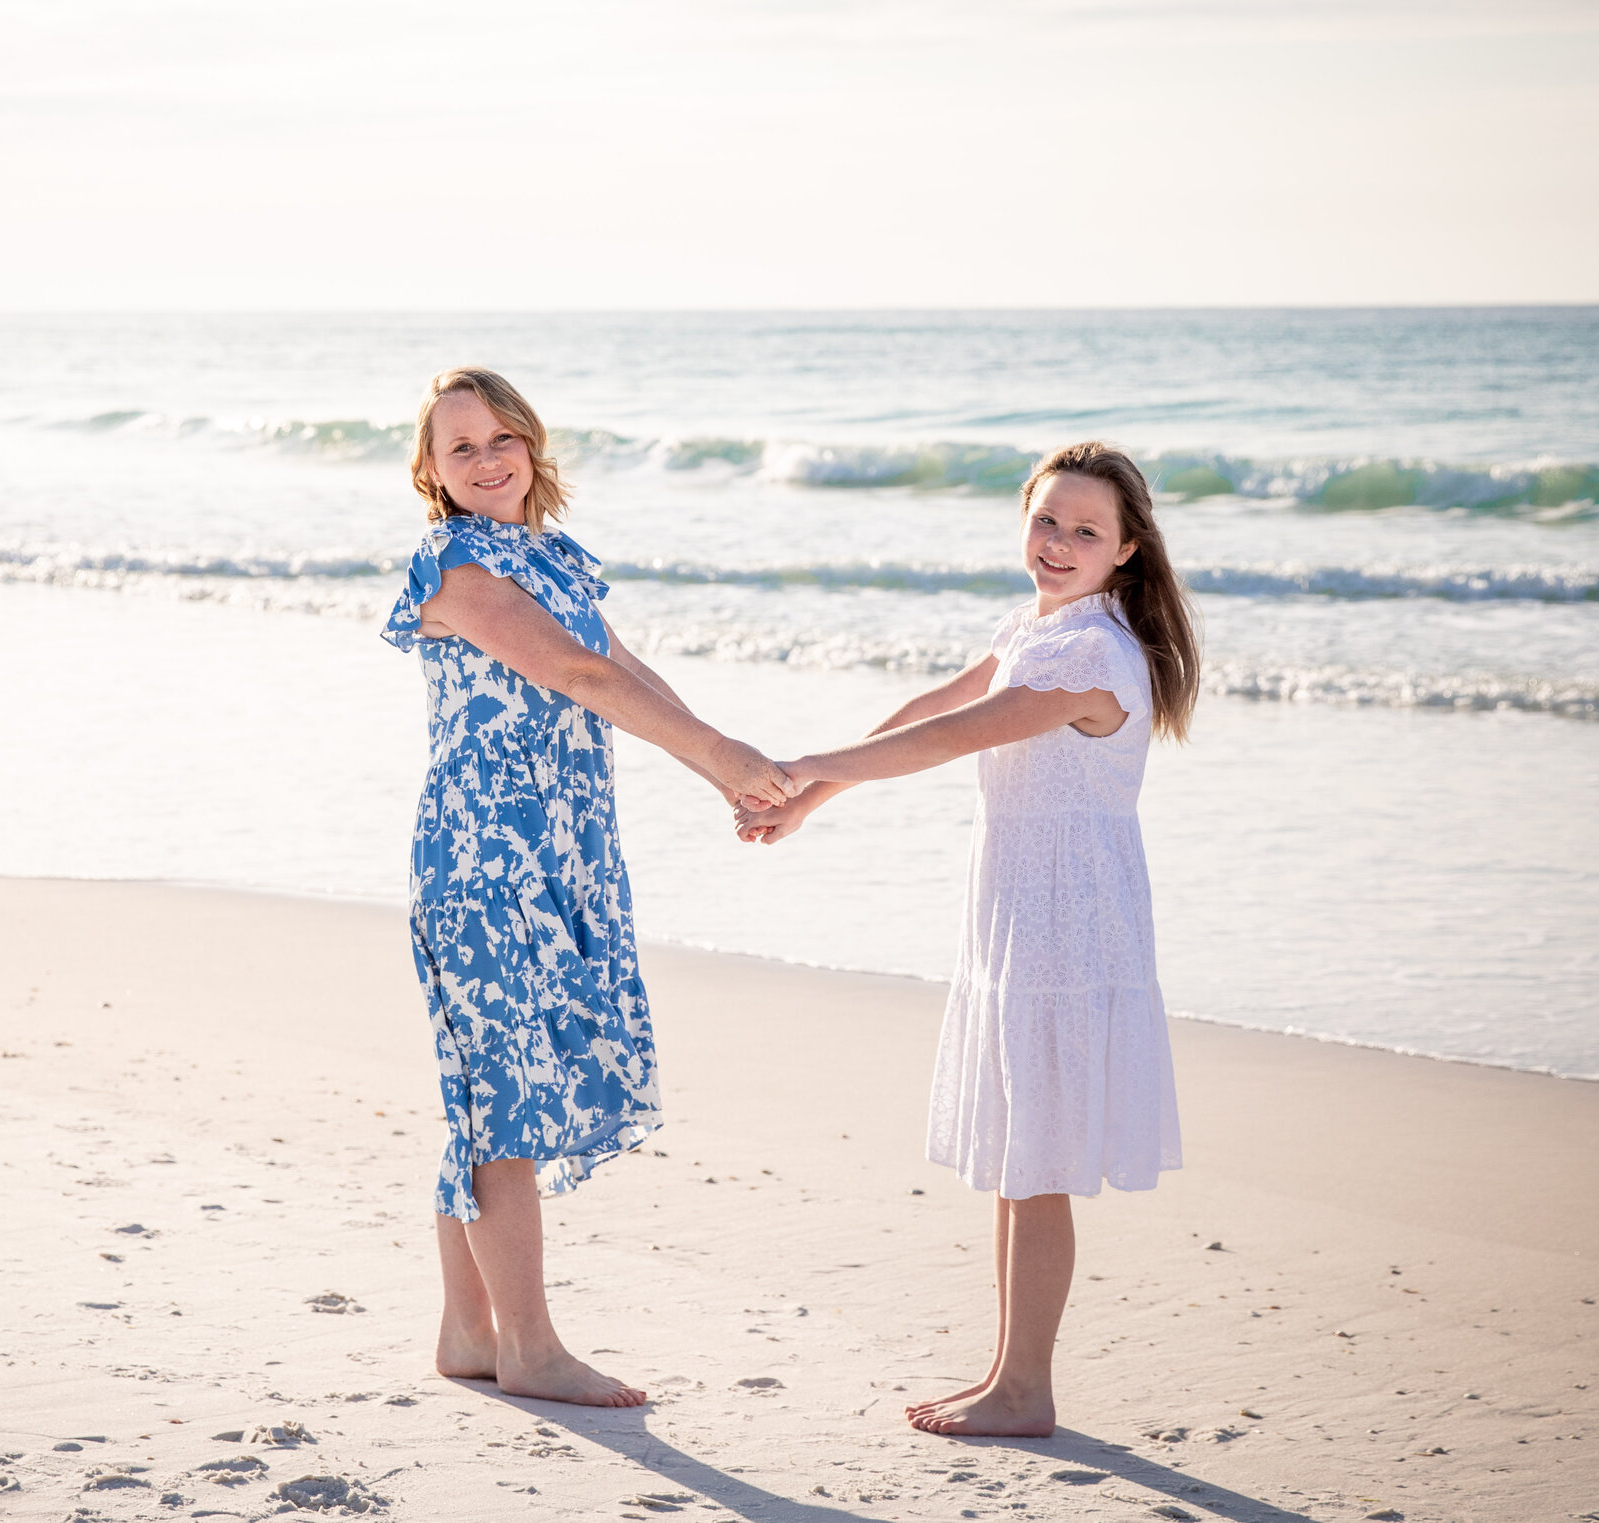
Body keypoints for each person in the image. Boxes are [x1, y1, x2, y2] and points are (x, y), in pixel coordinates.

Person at [735, 440, 1200, 1437]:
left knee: (1037, 1160)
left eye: (1085, 529)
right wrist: (811, 797)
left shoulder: (1092, 652)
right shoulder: (1041, 625)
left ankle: (1024, 1387)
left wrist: (806, 761)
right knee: (1016, 1153)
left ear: (1126, 549)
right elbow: (933, 706)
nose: (1059, 542)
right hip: (1023, 907)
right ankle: (1007, 1373)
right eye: (1046, 520)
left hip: (1066, 922)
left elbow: (962, 736)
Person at [384, 366, 791, 1409]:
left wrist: (729, 770)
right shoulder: (455, 565)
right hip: (485, 855)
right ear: (429, 471)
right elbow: (578, 677)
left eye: (500, 437)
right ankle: (530, 1345)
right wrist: (718, 756)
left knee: (494, 1081)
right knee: (503, 1096)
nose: (485, 460)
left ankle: (468, 1329)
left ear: (531, 443)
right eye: (459, 447)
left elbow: (629, 672)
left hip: (560, 849)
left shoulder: (553, 558)